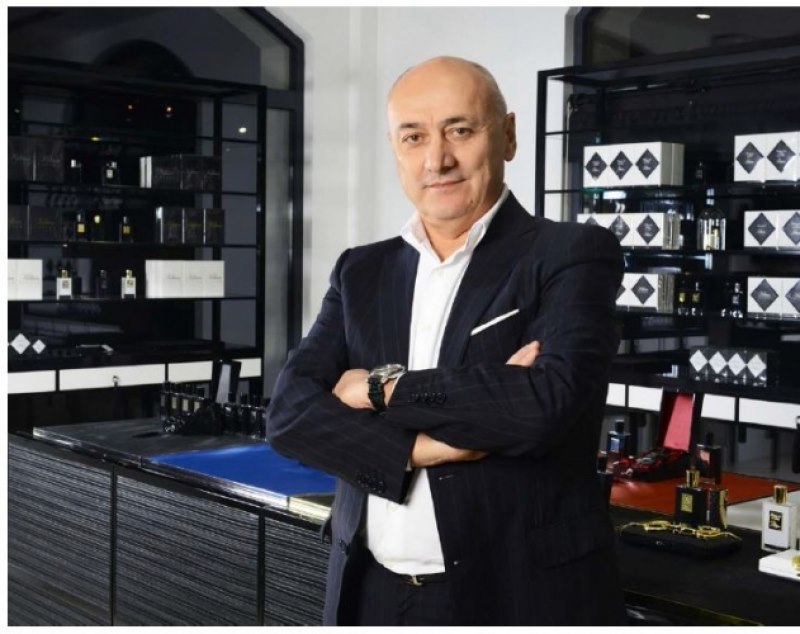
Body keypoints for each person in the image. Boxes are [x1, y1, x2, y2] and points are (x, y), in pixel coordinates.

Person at [265, 56, 627, 626]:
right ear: (395, 149)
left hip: (515, 594)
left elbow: (542, 404)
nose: (437, 159)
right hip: (370, 592)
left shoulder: (571, 253)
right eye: (414, 137)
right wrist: (422, 449)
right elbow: (289, 415)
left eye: (460, 130)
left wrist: (380, 389)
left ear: (507, 135)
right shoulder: (361, 271)